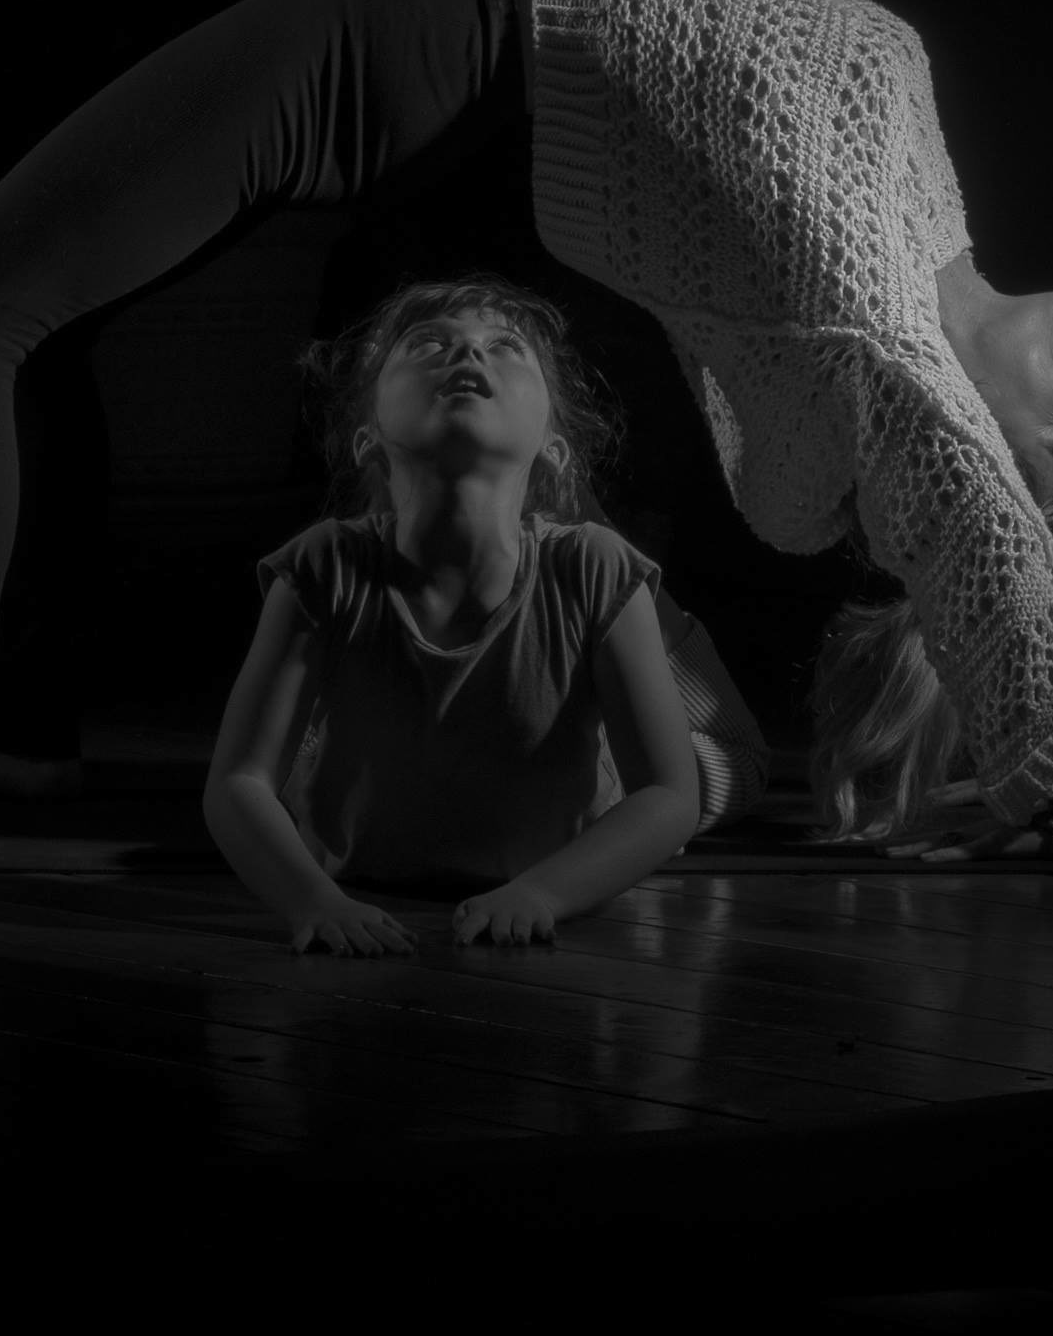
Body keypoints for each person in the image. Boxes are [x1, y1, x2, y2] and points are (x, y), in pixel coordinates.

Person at [0, 0, 1053, 868]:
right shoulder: (911, 181)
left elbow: (955, 501)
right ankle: (15, 731)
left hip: (385, 40)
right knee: (40, 324)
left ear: (978, 448)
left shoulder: (871, 316)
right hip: (424, 62)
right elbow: (993, 513)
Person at [205, 273, 769, 952]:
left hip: (592, 796)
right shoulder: (324, 565)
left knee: (733, 763)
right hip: (370, 784)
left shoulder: (594, 565)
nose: (468, 352)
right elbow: (237, 780)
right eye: (427, 343)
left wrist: (543, 893)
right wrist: (312, 902)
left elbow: (669, 796)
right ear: (367, 437)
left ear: (553, 445)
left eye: (504, 346)